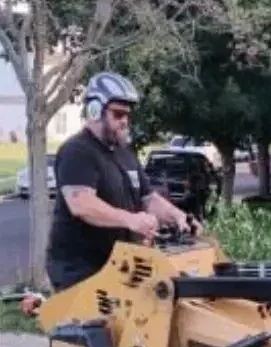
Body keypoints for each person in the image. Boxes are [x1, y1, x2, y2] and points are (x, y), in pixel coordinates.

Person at [45, 71, 191, 291]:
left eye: (127, 115)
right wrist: (131, 220)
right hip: (80, 272)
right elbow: (81, 205)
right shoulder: (77, 151)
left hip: (120, 269)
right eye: (118, 114)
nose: (124, 121)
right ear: (95, 111)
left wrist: (178, 216)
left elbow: (148, 198)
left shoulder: (124, 153)